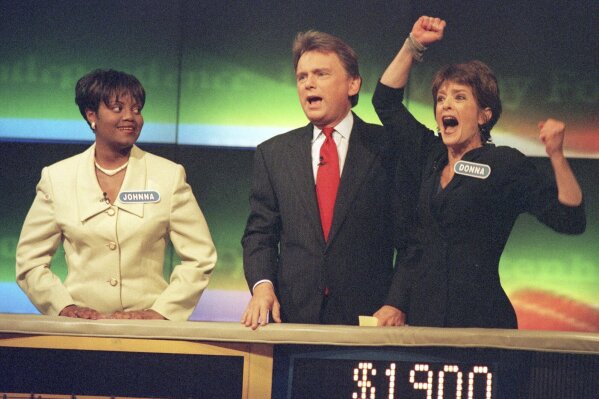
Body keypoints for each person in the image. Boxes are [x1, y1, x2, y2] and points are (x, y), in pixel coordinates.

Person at [372, 16, 586, 328]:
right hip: (424, 322)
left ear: (484, 115)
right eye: (441, 98)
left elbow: (570, 218)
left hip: (482, 322)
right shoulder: (430, 155)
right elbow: (386, 103)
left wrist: (556, 154)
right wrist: (413, 44)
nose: (446, 105)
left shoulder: (505, 165)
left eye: (460, 98)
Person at [15, 69, 217, 321]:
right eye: (118, 108)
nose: (130, 117)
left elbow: (200, 257)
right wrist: (63, 308)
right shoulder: (58, 178)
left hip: (149, 334)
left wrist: (162, 312)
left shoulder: (168, 176)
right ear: (92, 116)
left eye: (136, 109)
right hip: (78, 330)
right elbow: (29, 262)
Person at [241, 31, 400, 328]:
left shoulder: (387, 147)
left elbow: (411, 238)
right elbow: (259, 235)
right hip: (292, 318)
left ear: (353, 84)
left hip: (370, 319)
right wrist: (262, 286)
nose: (308, 84)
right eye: (302, 77)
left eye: (321, 74)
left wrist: (397, 302)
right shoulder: (273, 154)